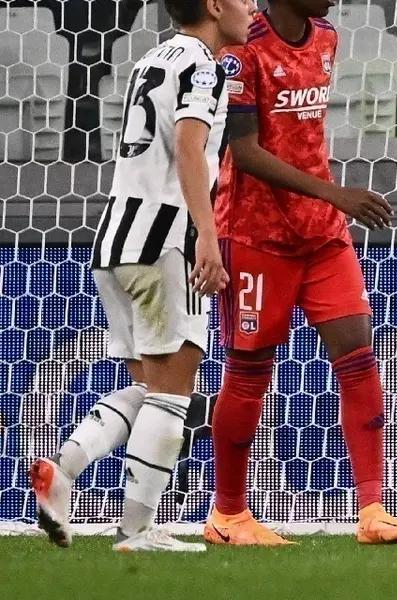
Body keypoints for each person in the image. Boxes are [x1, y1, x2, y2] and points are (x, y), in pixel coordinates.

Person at [28, 0, 256, 552]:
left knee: (152, 388)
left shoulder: (153, 57)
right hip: (165, 239)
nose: (253, 6)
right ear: (213, 5)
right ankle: (136, 530)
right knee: (173, 396)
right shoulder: (204, 63)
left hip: (116, 239)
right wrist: (207, 235)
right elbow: (189, 144)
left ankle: (63, 469)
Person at [203, 0, 397, 545]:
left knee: (360, 357)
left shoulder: (325, 36)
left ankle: (373, 510)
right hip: (255, 235)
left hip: (322, 236)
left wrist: (327, 204)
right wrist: (334, 192)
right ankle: (228, 515)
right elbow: (244, 152)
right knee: (249, 372)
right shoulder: (242, 46)